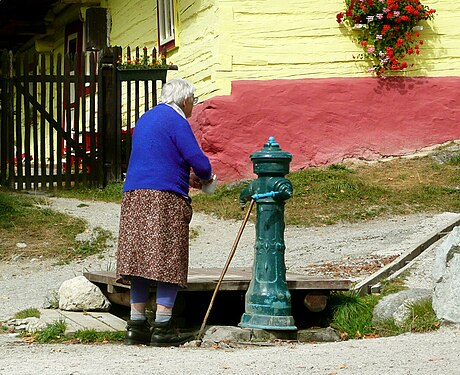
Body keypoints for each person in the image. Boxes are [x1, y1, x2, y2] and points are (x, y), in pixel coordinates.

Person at [116, 78, 214, 347]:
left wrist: (186, 176)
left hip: (134, 195)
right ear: (185, 100)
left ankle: (136, 325)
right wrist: (206, 177)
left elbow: (159, 156)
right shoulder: (176, 120)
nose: (193, 105)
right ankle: (163, 327)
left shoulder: (146, 118)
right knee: (167, 257)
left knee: (139, 258)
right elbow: (198, 160)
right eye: (193, 100)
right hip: (164, 197)